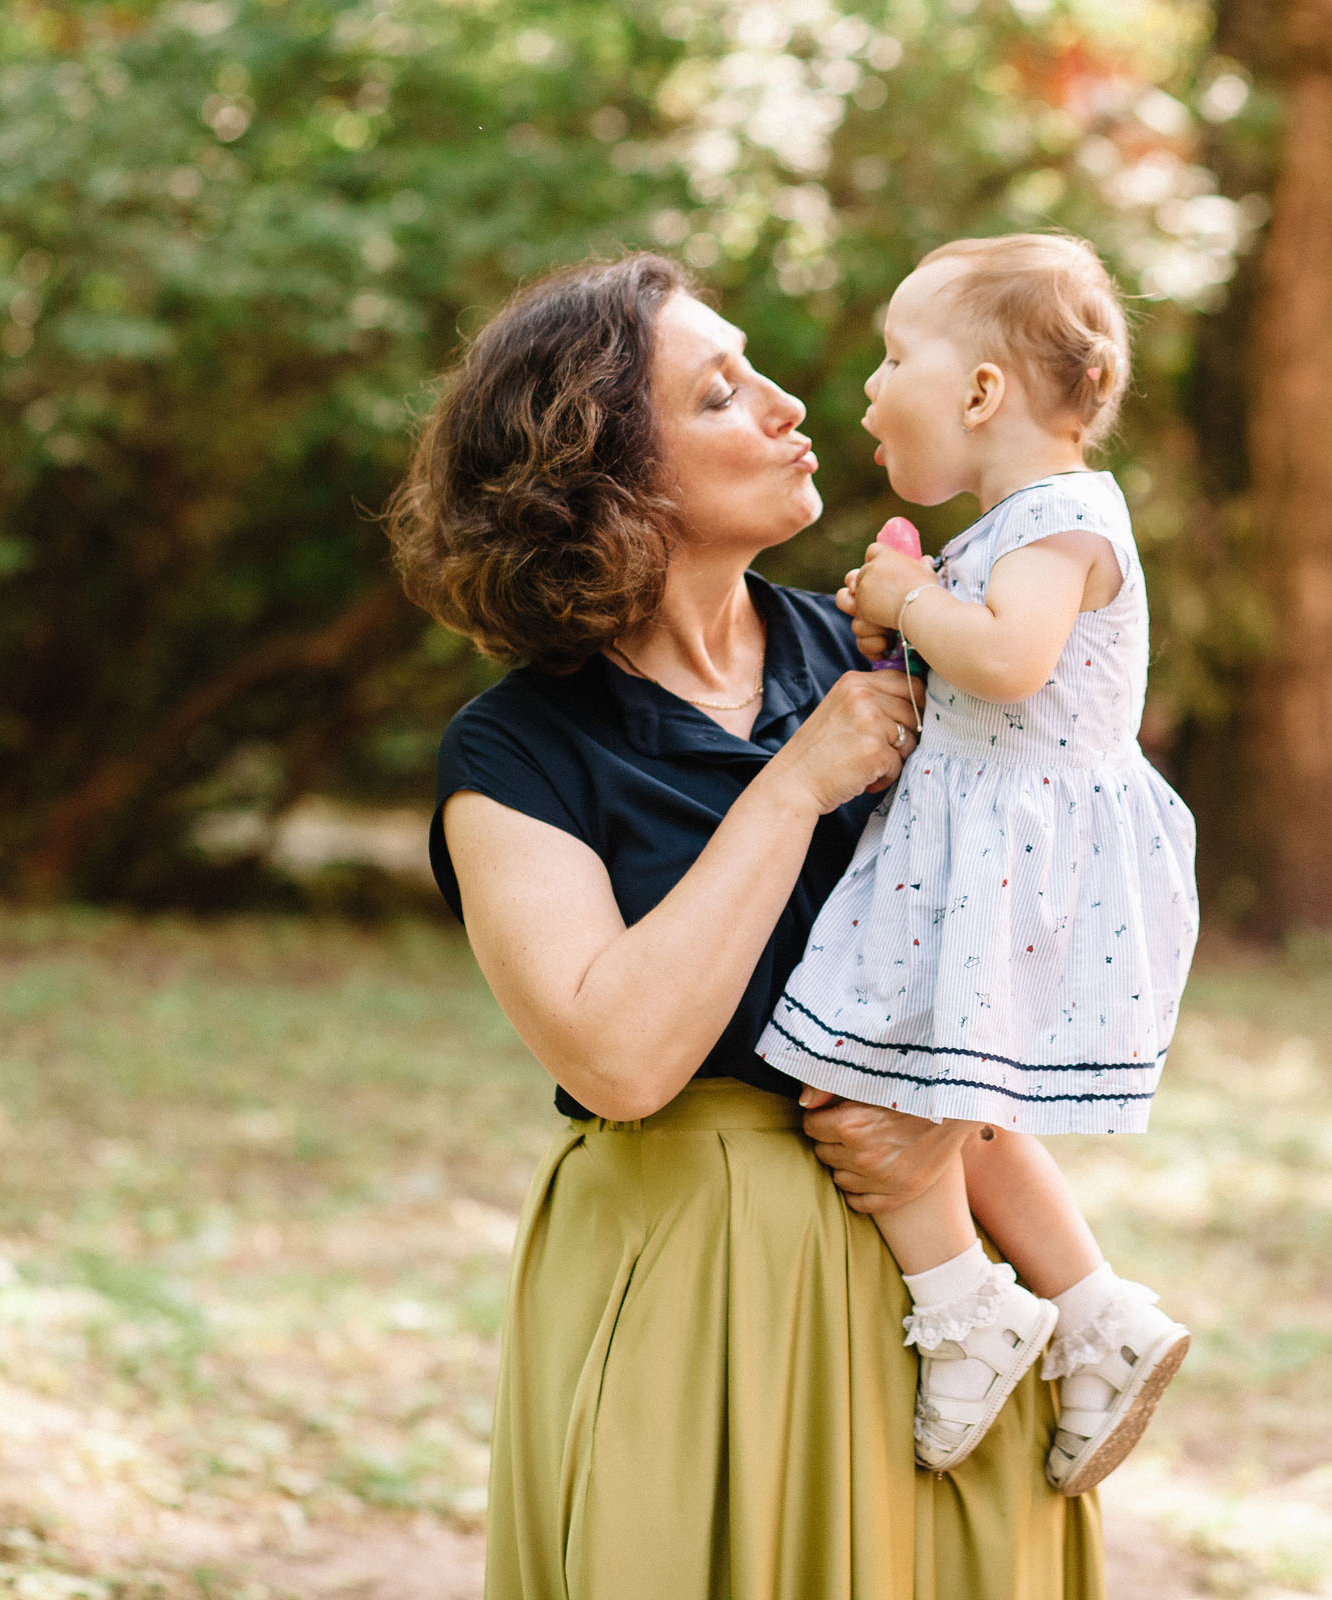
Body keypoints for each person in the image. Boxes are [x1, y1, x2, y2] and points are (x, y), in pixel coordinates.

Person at [394, 253, 1103, 1599]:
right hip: (696, 1286)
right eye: (722, 394)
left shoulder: (885, 652)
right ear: (606, 477)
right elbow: (621, 1059)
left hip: (948, 1286)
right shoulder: (516, 756)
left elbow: (1035, 924)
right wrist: (798, 785)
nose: (788, 405)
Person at [754, 235, 1199, 1495]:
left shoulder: (1065, 519)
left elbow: (1009, 662)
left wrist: (907, 601)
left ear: (983, 394)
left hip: (1021, 868)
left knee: (866, 1091)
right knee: (950, 1097)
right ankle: (1097, 1317)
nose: (866, 392)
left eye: (896, 359)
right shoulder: (1020, 525)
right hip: (977, 854)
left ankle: (970, 1309)